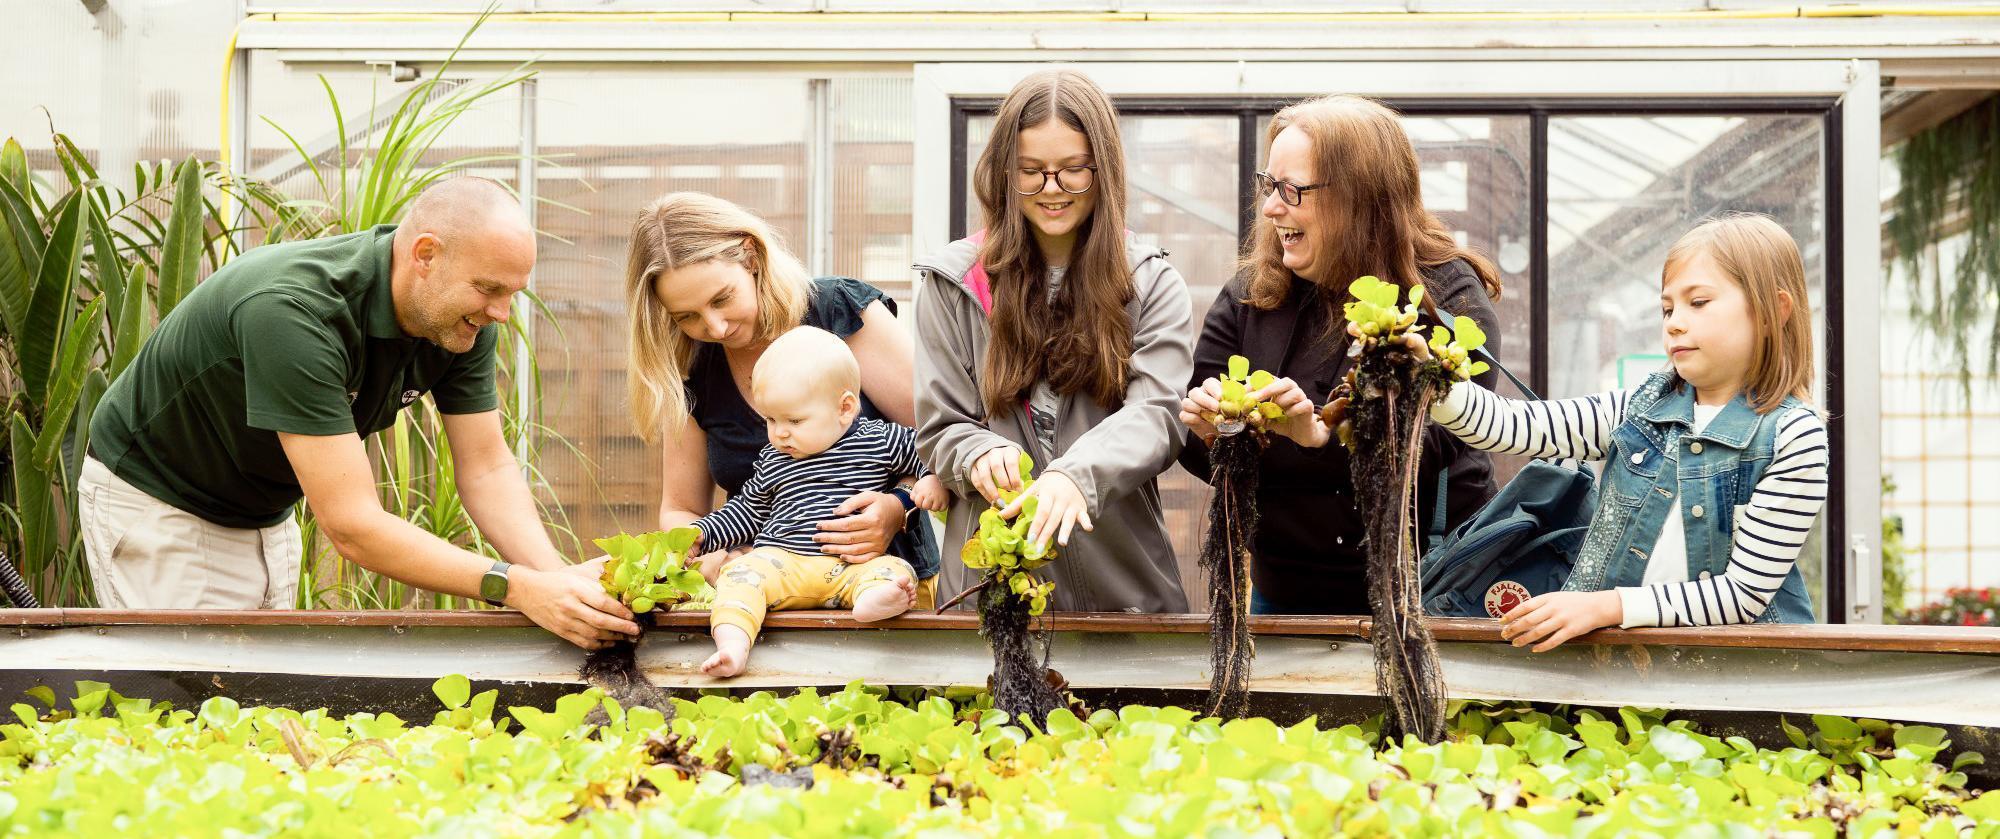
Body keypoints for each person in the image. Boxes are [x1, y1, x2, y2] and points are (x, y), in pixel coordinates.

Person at [81, 177, 638, 649]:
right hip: (161, 502)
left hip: (262, 508)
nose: (501, 311)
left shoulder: (461, 320)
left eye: (512, 292)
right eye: (489, 289)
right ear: (425, 255)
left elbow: (487, 467)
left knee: (251, 695)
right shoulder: (294, 311)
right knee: (189, 705)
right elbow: (351, 525)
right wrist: (513, 586)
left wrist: (558, 581)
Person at [1413, 213, 1827, 650]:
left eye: (1698, 302)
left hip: (1740, 678)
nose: (1674, 322)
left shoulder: (1793, 436)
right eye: (1668, 308)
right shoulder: (1639, 407)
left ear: (1772, 312)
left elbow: (1743, 594)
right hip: (1624, 670)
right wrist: (1428, 378)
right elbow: (1515, 427)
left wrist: (1608, 607)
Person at [1178, 94, 1505, 616]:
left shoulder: (1444, 298)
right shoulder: (1252, 294)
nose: (1271, 207)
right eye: (1270, 184)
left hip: (1428, 593)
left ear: (1361, 196)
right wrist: (1214, 429)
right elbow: (1198, 447)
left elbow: (1435, 439)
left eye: (1293, 189)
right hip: (1284, 596)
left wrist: (1315, 437)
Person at [915, 68, 1192, 614]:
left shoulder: (1150, 280)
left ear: (1104, 170)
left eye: (1073, 171)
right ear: (1002, 173)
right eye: (1031, 172)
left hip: (1123, 593)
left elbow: (1160, 414)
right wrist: (976, 452)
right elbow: (939, 426)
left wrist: (1076, 474)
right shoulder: (951, 283)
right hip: (988, 594)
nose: (1052, 190)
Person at [626, 192, 940, 606]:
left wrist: (897, 507)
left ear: (751, 257)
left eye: (722, 298)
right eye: (687, 316)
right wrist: (715, 554)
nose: (715, 327)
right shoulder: (692, 371)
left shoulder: (837, 311)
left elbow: (941, 440)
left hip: (894, 596)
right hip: (767, 604)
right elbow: (682, 508)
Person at [683, 327, 947, 677]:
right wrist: (702, 535)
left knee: (894, 571)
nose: (780, 433)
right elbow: (746, 511)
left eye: (794, 420)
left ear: (844, 408)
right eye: (770, 420)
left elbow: (930, 449)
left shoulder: (879, 440)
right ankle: (733, 644)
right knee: (740, 575)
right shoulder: (773, 459)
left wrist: (929, 477)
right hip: (783, 565)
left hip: (851, 565)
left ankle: (875, 601)